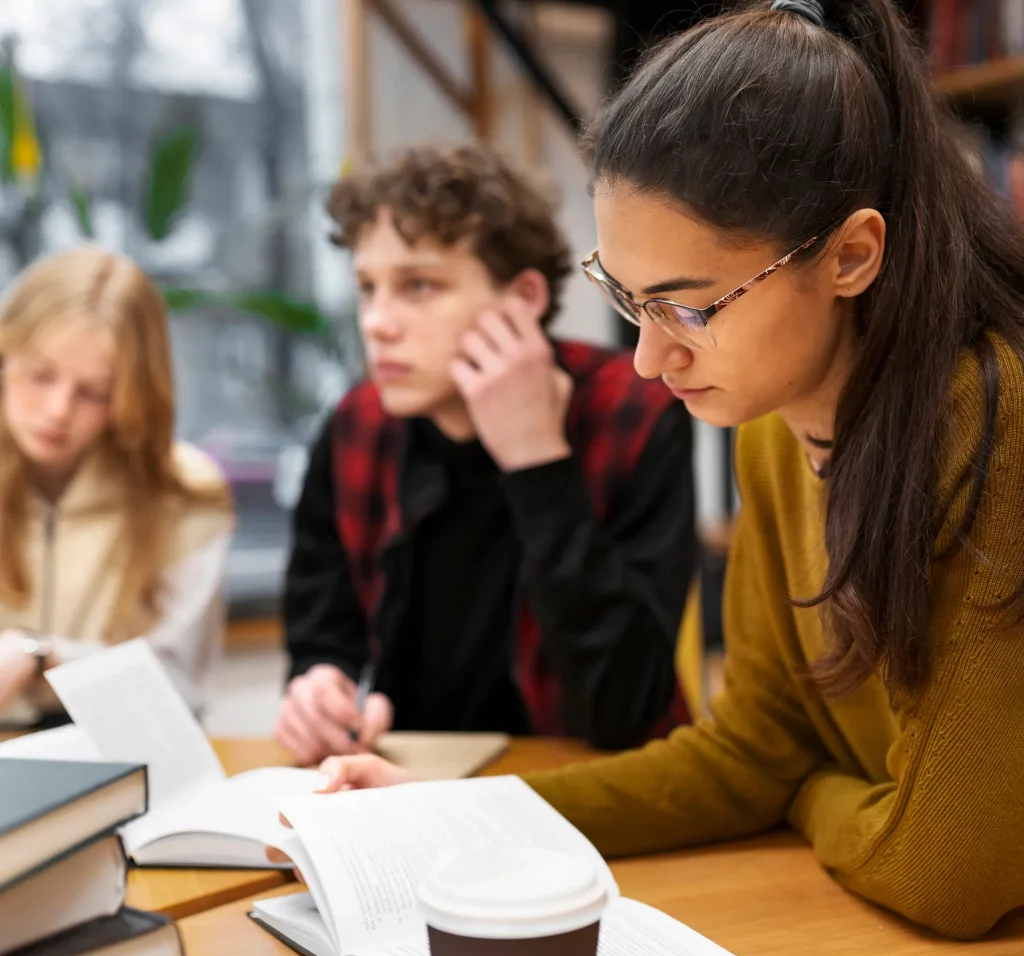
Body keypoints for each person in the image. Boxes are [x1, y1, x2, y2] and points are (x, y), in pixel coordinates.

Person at [311, 0, 1024, 940]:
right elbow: (753, 753)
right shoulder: (772, 425)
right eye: (626, 297)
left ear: (852, 254)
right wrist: (462, 811)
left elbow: (946, 875)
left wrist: (812, 794)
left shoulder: (992, 424)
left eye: (690, 308)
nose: (649, 361)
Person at [276, 144, 696, 762]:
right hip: (407, 786)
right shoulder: (355, 428)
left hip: (587, 790)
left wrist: (536, 460)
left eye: (419, 285)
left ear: (524, 298)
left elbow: (624, 712)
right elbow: (321, 644)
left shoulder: (632, 414)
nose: (377, 322)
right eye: (368, 288)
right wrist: (318, 692)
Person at [0, 247, 234, 722]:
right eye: (40, 375)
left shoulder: (185, 493)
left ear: (132, 397)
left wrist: (41, 656)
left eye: (93, 393)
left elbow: (177, 682)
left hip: (117, 747)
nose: (57, 411)